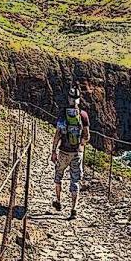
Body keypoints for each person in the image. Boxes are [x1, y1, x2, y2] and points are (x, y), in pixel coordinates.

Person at [50, 87, 90, 219]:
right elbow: (87, 136)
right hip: (77, 153)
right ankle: (74, 209)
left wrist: (53, 151)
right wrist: (80, 146)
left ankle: (59, 201)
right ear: (79, 99)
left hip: (63, 151)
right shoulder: (83, 115)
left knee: (58, 175)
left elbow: (57, 134)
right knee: (75, 180)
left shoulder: (62, 114)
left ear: (69, 98)